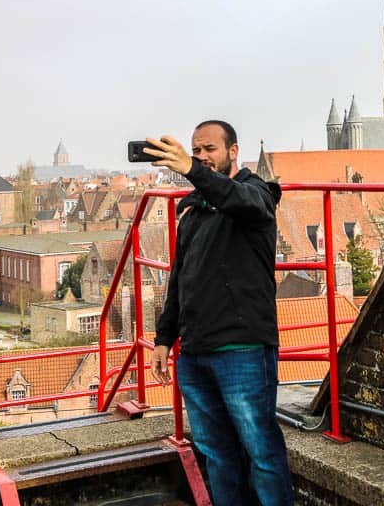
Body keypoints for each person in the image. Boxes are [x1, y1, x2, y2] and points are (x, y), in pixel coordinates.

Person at [148, 120, 294, 506]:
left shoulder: (258, 194)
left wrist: (191, 171)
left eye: (209, 149)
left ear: (233, 152)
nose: (201, 158)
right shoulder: (193, 210)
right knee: (217, 455)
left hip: (242, 349)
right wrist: (164, 338)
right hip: (196, 354)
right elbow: (181, 278)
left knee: (262, 452)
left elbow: (241, 200)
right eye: (195, 151)